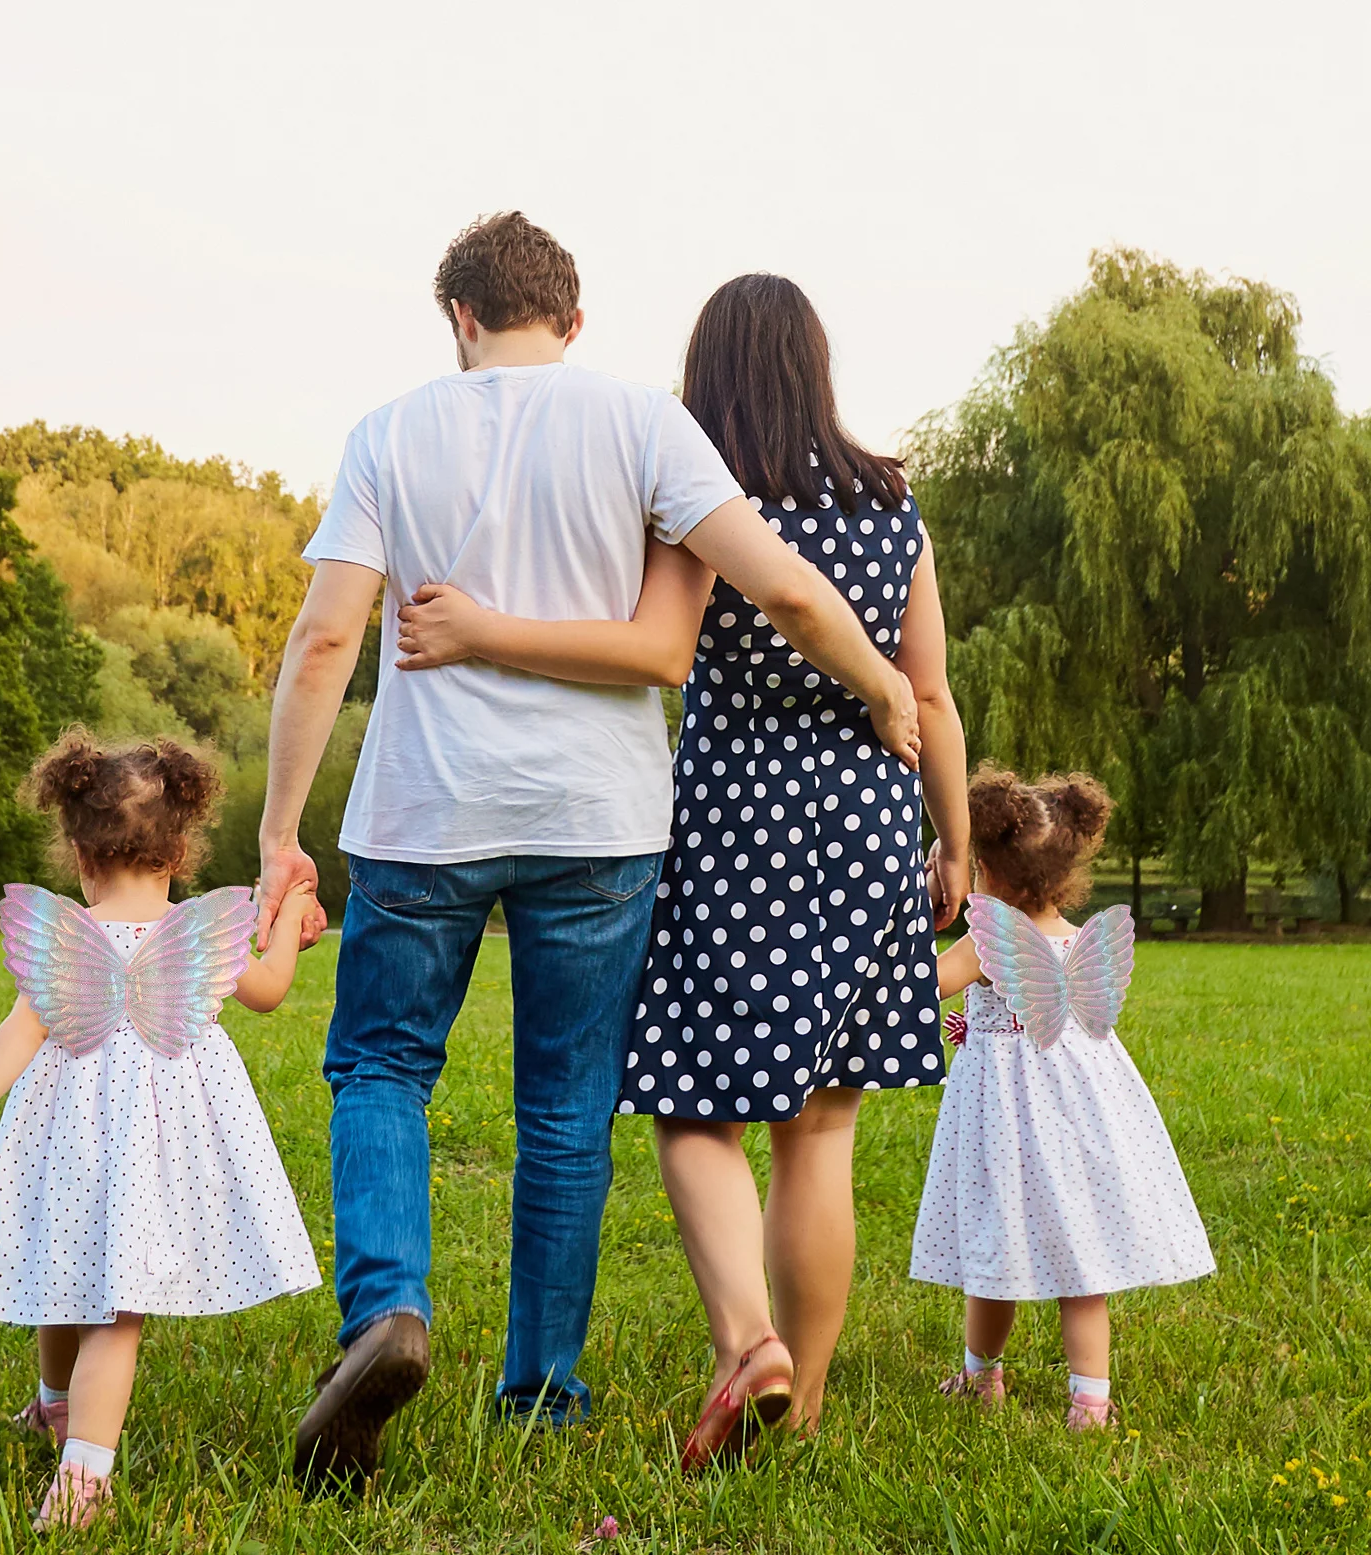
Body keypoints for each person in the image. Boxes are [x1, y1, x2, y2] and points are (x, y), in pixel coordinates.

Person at [257, 214, 922, 1490]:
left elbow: (326, 638)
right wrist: (884, 691)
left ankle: (385, 1312)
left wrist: (284, 832)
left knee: (385, 1066)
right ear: (572, 318)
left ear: (458, 318)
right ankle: (542, 1392)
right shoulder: (641, 424)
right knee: (564, 1110)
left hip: (423, 819)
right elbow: (781, 587)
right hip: (600, 825)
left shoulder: (391, 431)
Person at [396, 273, 970, 1465]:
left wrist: (481, 628)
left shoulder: (704, 499)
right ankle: (799, 1405)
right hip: (868, 816)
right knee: (821, 1129)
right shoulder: (890, 506)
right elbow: (929, 695)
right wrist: (952, 839)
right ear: (817, 366)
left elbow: (648, 652)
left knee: (691, 1109)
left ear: (707, 373)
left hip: (732, 819)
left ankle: (745, 1341)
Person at [0, 731, 322, 1529]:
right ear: (182, 847)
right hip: (158, 1150)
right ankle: (75, 1458)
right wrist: (294, 910)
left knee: (71, 1285)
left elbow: (19, 1033)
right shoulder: (205, 931)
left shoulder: (74, 940)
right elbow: (269, 988)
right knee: (115, 1305)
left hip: (70, 1142)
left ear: (78, 851)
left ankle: (69, 1445)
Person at [911, 767, 1215, 1430]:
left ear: (985, 872)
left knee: (996, 1254)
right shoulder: (1077, 943)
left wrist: (909, 914)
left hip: (1009, 1126)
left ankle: (981, 1375)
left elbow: (922, 987)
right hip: (1082, 1122)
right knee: (1083, 1267)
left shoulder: (986, 944)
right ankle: (1090, 1403)